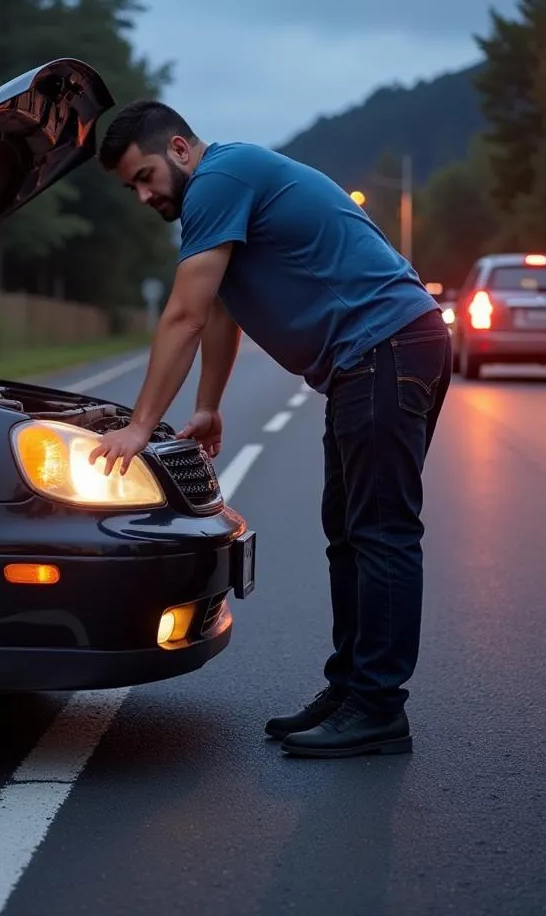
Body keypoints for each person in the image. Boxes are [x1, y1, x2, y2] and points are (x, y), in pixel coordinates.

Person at [88, 100, 452, 758]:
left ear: (177, 148)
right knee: (349, 533)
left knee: (381, 531)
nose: (142, 195)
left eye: (143, 176)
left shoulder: (222, 179)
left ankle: (378, 708)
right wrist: (209, 406)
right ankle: (351, 690)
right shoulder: (219, 197)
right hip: (370, 359)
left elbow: (186, 315)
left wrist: (141, 426)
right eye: (130, 188)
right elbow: (224, 311)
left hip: (388, 348)